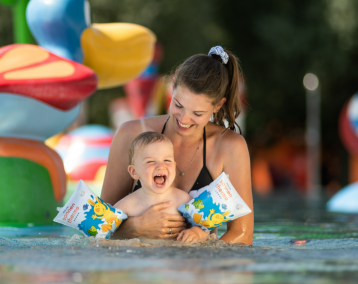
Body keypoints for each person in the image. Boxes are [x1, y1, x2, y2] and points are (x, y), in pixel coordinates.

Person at [101, 46, 253, 244]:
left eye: (197, 114)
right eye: (178, 105)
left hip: (198, 268)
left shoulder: (230, 147)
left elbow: (243, 235)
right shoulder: (131, 135)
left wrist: (198, 256)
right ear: (172, 88)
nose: (184, 119)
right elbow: (99, 228)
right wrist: (138, 226)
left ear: (218, 105)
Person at [114, 131, 209, 243]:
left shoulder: (183, 200)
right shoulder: (126, 206)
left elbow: (205, 228)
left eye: (167, 160)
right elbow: (106, 235)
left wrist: (196, 233)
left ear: (174, 166)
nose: (161, 166)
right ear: (134, 172)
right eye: (150, 161)